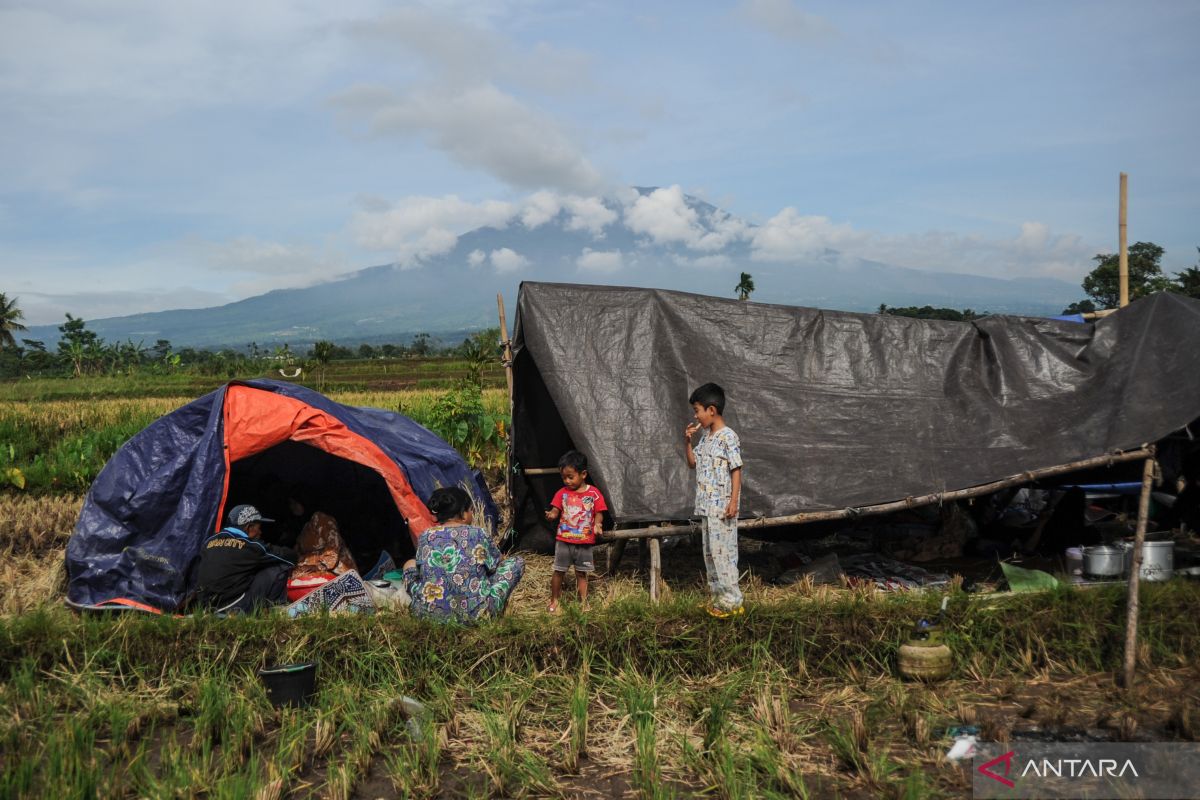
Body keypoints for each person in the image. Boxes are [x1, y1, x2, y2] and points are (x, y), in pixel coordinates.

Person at [402, 486, 524, 623]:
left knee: (409, 564)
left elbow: (420, 570)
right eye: (471, 510)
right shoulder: (478, 534)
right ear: (464, 513)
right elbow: (497, 563)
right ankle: (488, 608)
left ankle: (428, 606)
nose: (472, 513)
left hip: (428, 616)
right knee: (516, 562)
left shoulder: (426, 536)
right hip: (477, 615)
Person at [683, 382, 745, 618]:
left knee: (724, 553)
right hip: (707, 507)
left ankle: (732, 601)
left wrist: (733, 501)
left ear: (711, 410)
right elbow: (692, 463)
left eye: (697, 410)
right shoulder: (706, 439)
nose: (696, 416)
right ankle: (718, 598)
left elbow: (736, 468)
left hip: (723, 507)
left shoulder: (728, 437)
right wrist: (688, 441)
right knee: (710, 553)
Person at [194, 504, 296, 612]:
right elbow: (286, 556)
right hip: (233, 606)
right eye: (258, 528)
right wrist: (298, 554)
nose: (260, 532)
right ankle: (275, 610)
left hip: (205, 607)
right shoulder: (249, 546)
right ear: (249, 527)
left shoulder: (209, 541)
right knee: (279, 567)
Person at [544, 450, 608, 613]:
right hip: (564, 541)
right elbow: (556, 511)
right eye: (564, 477)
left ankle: (583, 603)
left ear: (583, 474)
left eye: (570, 477)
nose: (567, 481)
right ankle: (554, 601)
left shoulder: (593, 494)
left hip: (584, 542)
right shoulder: (562, 493)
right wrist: (552, 515)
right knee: (559, 571)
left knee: (581, 574)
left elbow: (599, 512)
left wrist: (598, 524)